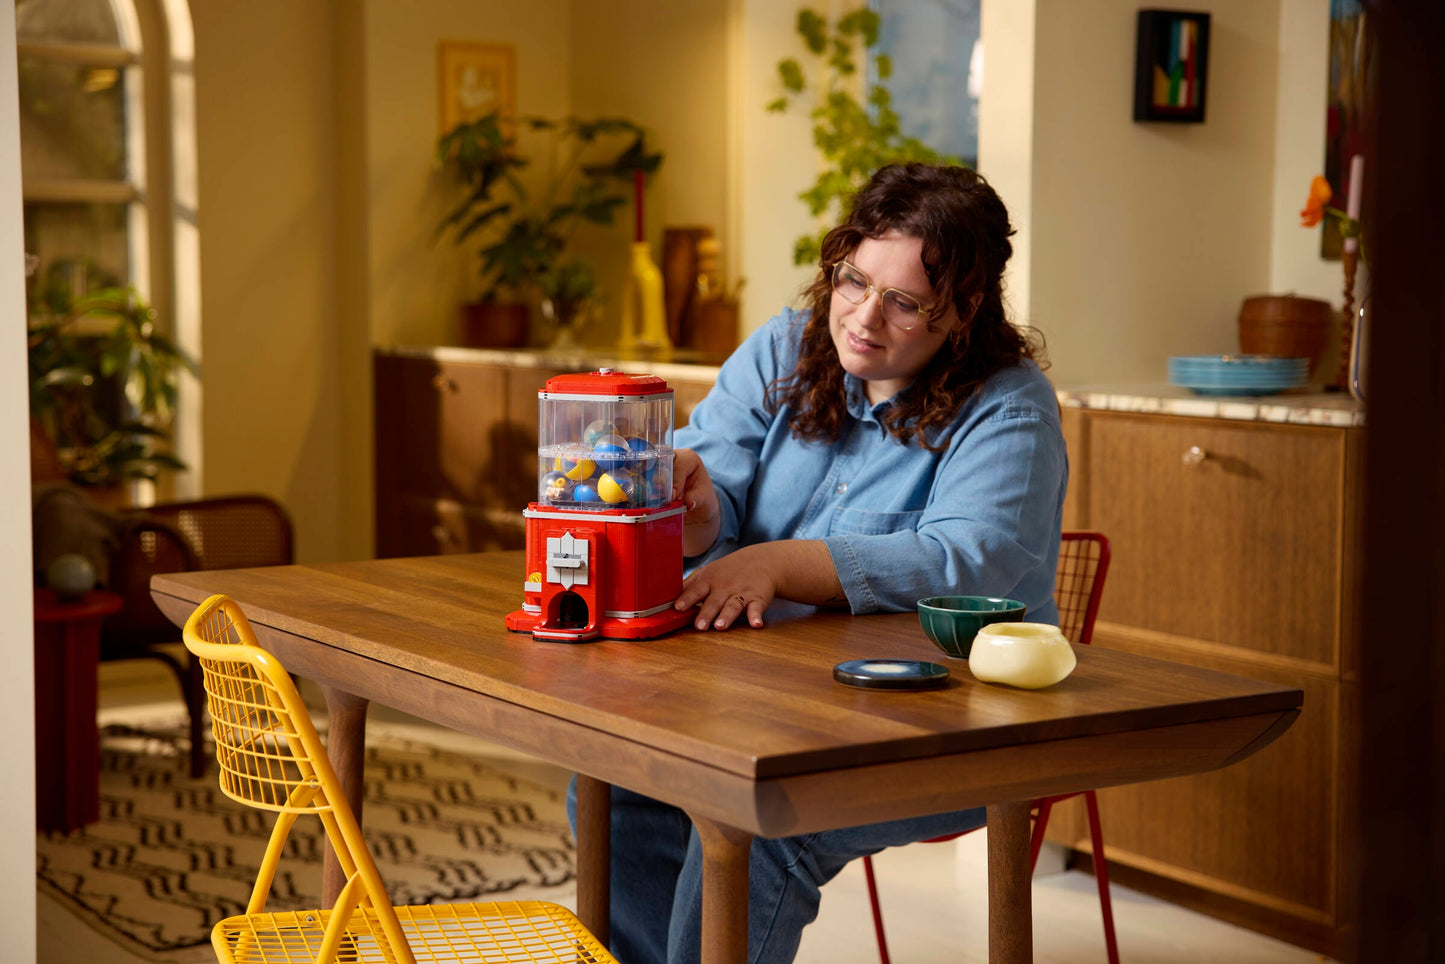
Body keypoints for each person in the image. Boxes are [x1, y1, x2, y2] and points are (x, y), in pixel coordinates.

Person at [567, 162, 1068, 964]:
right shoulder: (783, 346)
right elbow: (711, 491)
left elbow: (965, 560)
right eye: (853, 281)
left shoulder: (1009, 407)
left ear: (963, 309)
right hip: (762, 701)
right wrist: (691, 504)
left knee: (764, 825)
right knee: (616, 785)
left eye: (904, 302)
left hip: (948, 732)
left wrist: (776, 564)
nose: (863, 317)